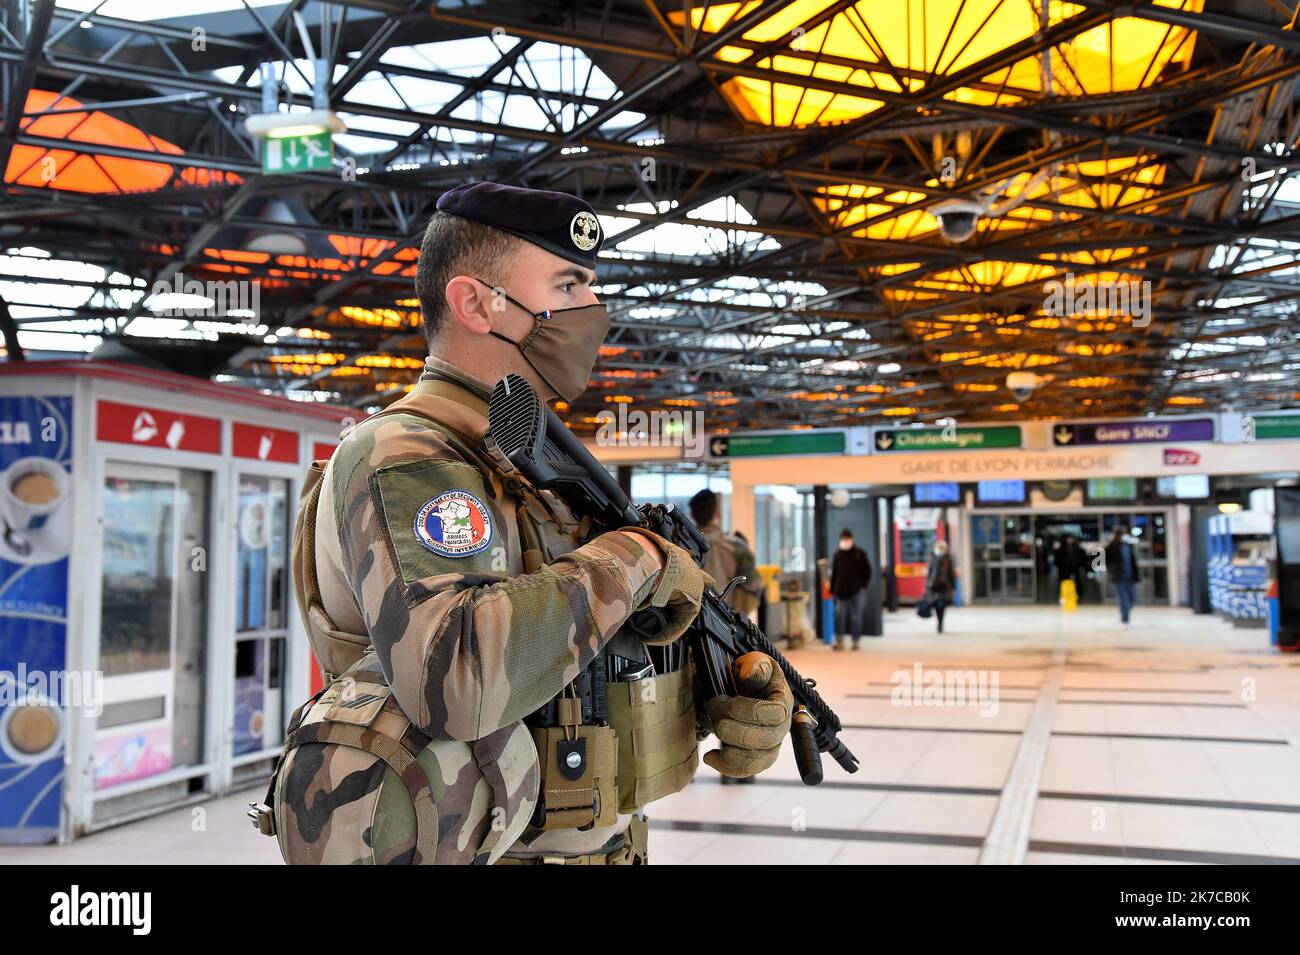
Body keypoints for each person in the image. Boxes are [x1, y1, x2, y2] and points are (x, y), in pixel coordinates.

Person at [265, 182, 792, 865]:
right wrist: (637, 558)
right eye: (569, 284)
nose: (592, 311)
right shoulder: (405, 453)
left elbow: (577, 664)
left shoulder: (532, 461)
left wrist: (726, 691)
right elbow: (457, 676)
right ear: (475, 302)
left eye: (592, 286)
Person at [689, 488, 762, 620]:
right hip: (724, 624)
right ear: (718, 513)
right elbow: (754, 588)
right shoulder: (736, 546)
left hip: (686, 625)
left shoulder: (679, 545)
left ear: (692, 515)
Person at [829, 529, 872, 649]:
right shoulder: (837, 554)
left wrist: (862, 586)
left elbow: (867, 572)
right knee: (839, 616)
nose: (845, 542)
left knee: (856, 617)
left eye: (847, 539)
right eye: (843, 539)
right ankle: (839, 641)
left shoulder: (860, 554)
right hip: (841, 592)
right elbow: (835, 574)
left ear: (852, 540)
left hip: (857, 592)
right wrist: (833, 590)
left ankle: (856, 641)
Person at [1104, 524, 1142, 626]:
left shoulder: (1128, 545)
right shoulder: (1111, 546)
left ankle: (1125, 613)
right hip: (1119, 577)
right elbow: (1104, 559)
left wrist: (1136, 575)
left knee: (1133, 598)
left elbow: (1133, 562)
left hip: (1131, 576)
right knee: (1123, 599)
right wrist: (1111, 570)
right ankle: (1125, 618)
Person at [925, 540, 957, 634]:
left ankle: (940, 623)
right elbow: (929, 572)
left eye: (942, 548)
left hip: (944, 586)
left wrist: (953, 587)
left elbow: (951, 574)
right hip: (933, 585)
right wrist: (927, 584)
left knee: (941, 605)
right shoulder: (932, 557)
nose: (941, 549)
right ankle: (939, 621)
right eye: (939, 547)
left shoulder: (948, 559)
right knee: (935, 604)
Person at [1054, 534, 1087, 602]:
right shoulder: (1060, 550)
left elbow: (1083, 558)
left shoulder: (1078, 548)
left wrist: (1079, 564)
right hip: (1064, 569)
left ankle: (1077, 596)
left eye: (1071, 539)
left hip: (1075, 568)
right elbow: (1057, 560)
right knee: (1064, 583)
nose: (1069, 541)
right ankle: (1064, 596)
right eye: (1068, 539)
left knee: (1077, 583)